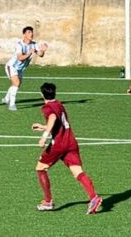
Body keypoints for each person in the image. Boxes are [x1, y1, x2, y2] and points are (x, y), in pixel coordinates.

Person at [32, 82, 102, 214]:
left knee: (40, 168)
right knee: (78, 172)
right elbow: (59, 123)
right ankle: (94, 197)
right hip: (70, 143)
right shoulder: (59, 104)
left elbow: (52, 118)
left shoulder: (47, 107)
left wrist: (44, 136)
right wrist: (43, 127)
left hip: (58, 145)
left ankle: (48, 202)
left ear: (41, 94)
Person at [3, 26, 47, 111]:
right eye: (29, 32)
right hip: (12, 66)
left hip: (20, 69)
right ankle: (12, 104)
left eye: (32, 32)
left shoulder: (34, 44)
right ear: (24, 34)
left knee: (16, 84)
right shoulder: (19, 45)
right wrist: (29, 53)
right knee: (16, 83)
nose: (31, 34)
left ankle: (6, 98)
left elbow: (40, 54)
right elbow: (20, 58)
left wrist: (43, 50)